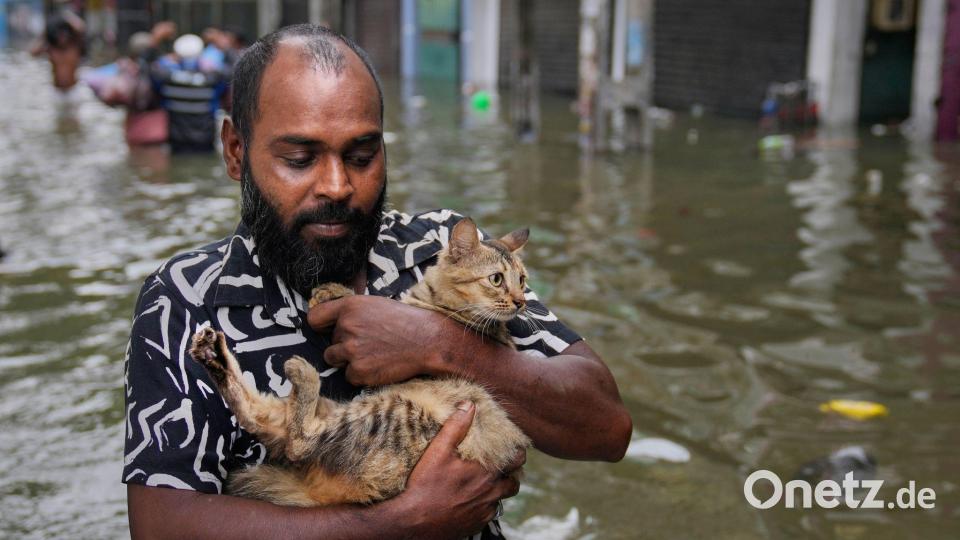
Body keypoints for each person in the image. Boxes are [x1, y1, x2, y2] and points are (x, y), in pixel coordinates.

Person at [123, 24, 632, 539]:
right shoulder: (186, 298)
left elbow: (606, 427)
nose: (338, 185)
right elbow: (162, 526)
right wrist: (397, 524)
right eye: (299, 159)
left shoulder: (437, 250)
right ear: (235, 151)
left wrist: (440, 344)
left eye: (362, 156)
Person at [151, 33, 229, 153]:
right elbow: (233, 72)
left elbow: (149, 68)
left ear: (176, 54)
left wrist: (155, 39)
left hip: (176, 140)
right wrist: (225, 46)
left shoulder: (166, 78)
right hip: (206, 139)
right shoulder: (214, 79)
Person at [31, 8, 86, 101]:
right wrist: (46, 32)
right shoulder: (51, 48)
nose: (62, 38)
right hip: (56, 92)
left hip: (74, 91)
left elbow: (81, 27)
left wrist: (66, 15)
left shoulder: (74, 46)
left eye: (64, 34)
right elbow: (32, 53)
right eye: (59, 35)